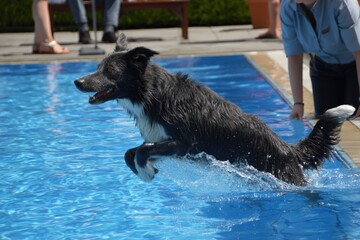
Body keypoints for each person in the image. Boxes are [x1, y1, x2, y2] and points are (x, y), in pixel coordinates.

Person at [280, 0, 360, 119]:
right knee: (324, 122)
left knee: (354, 117)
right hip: (323, 66)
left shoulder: (342, 3)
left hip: (354, 65)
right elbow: (294, 56)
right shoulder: (287, 7)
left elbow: (358, 53)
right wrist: (298, 103)